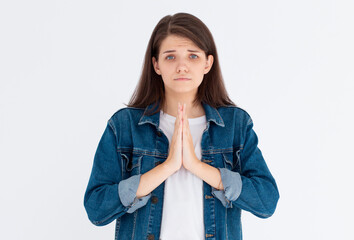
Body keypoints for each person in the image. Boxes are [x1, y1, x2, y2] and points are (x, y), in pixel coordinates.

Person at [83, 12, 279, 240]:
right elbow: (96, 209)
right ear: (156, 64)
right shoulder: (125, 126)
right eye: (170, 57)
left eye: (193, 56)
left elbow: (267, 201)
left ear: (208, 63)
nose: (182, 66)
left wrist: (196, 166)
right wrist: (167, 167)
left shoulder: (235, 125)